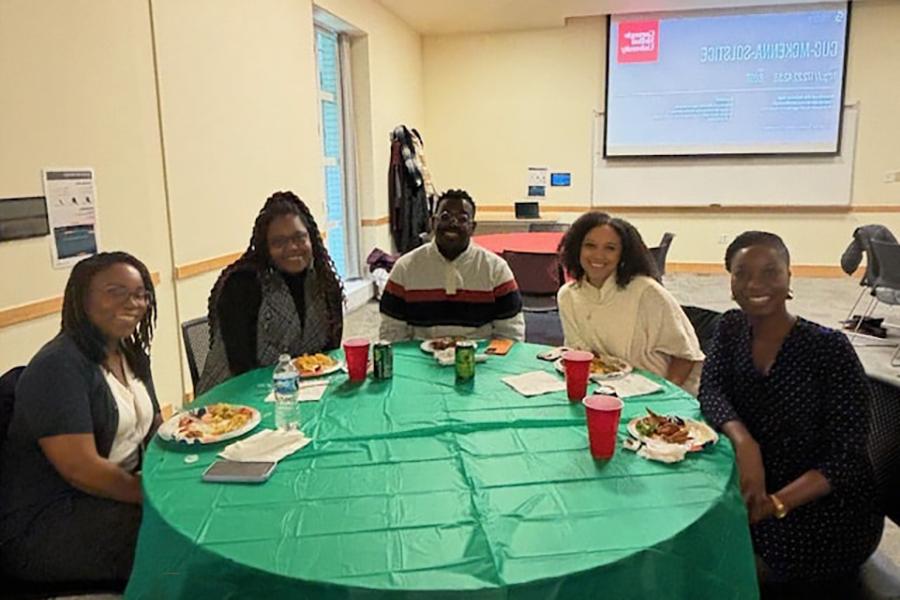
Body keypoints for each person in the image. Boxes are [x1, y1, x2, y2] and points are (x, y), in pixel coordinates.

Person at [699, 231, 883, 596]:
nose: (756, 283)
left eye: (770, 272)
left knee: (715, 572)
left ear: (789, 277)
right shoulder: (730, 327)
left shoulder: (828, 349)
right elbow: (711, 390)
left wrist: (776, 504)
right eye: (742, 273)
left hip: (824, 511)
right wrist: (745, 442)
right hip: (754, 485)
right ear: (731, 281)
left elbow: (847, 459)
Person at [0, 252, 161, 586]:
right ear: (81, 298)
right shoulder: (58, 366)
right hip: (53, 520)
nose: (132, 302)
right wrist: (152, 496)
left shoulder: (132, 354)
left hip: (118, 495)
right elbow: (81, 469)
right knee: (179, 544)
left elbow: (157, 429)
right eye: (115, 291)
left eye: (140, 293)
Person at [197, 191, 344, 394]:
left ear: (311, 238)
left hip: (300, 391)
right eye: (279, 242)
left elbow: (329, 354)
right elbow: (241, 366)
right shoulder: (243, 284)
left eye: (299, 238)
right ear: (265, 247)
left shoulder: (324, 282)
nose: (292, 247)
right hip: (234, 398)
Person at [556, 212, 704, 394]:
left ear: (623, 254)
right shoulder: (568, 296)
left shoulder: (647, 292)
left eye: (610, 248)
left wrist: (666, 396)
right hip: (600, 393)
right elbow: (579, 355)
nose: (598, 255)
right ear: (577, 248)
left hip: (653, 393)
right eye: (590, 246)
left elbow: (685, 355)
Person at [379, 189, 525, 342]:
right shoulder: (405, 267)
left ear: (473, 227)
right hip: (420, 358)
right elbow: (391, 332)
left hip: (481, 359)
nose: (453, 223)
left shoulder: (496, 269)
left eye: (462, 219)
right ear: (433, 222)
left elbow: (511, 333)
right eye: (445, 217)